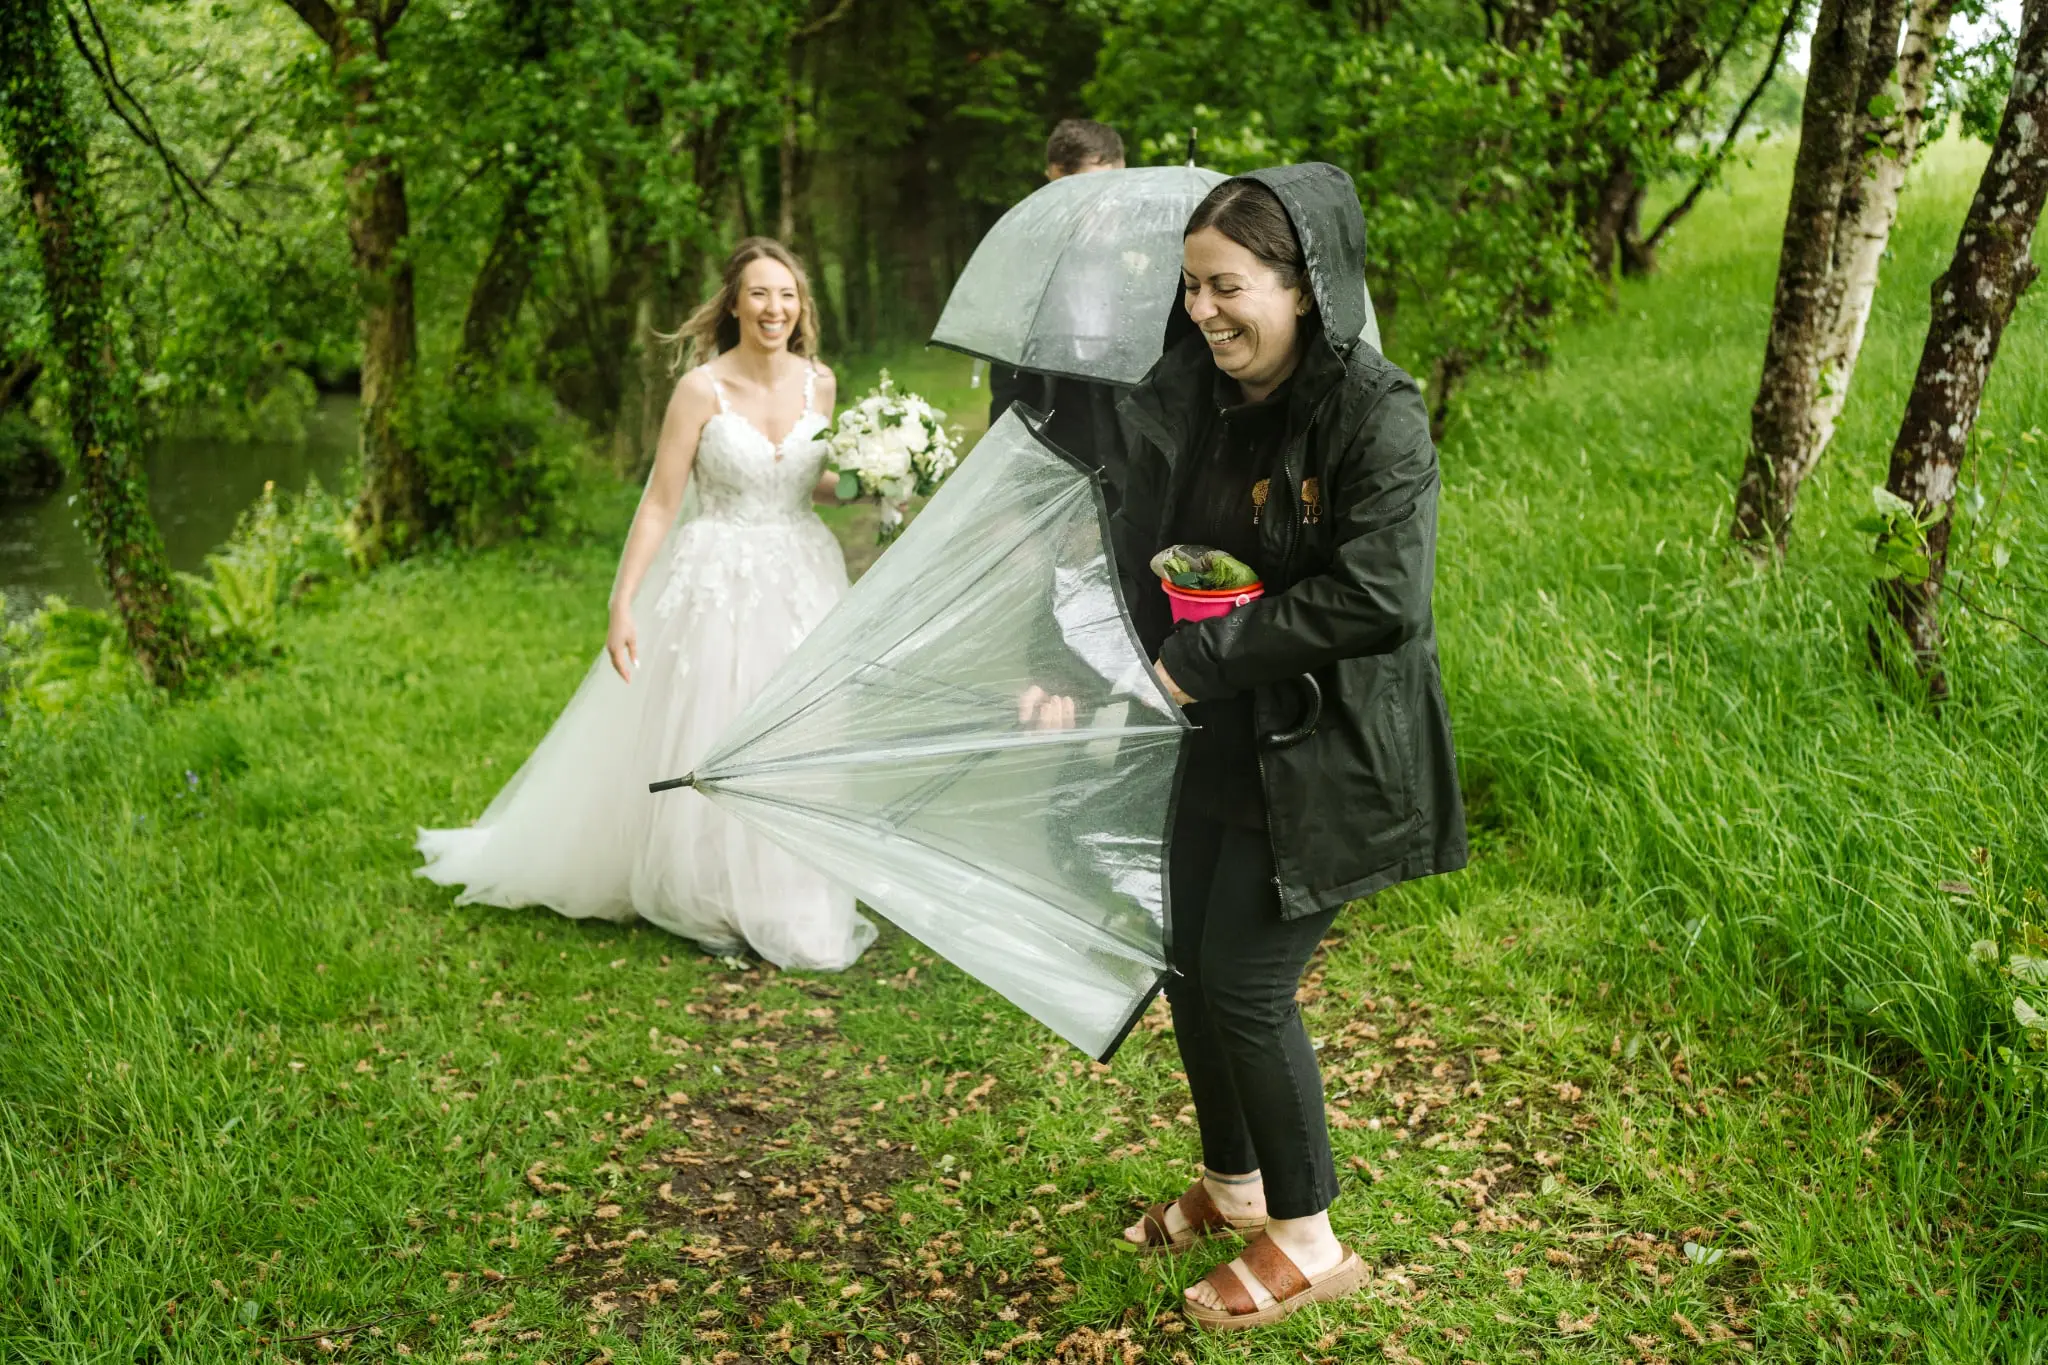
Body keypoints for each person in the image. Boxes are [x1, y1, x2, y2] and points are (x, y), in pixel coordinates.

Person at [1105, 167, 1467, 1330]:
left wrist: (1202, 658)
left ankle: (1306, 1237)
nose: (1202, 311)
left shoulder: (1374, 412)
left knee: (1245, 983)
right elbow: (1143, 543)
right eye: (1189, 288)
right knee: (1186, 965)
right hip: (1213, 730)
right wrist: (1091, 655)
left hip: (1326, 746)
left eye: (1226, 287)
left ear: (1303, 285)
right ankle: (1233, 1185)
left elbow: (1380, 596)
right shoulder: (1192, 399)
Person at [415, 238, 876, 972]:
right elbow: (662, 502)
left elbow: (809, 480)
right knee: (713, 720)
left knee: (795, 725)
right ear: (734, 304)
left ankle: (785, 883)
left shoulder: (820, 382)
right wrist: (622, 601)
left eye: (787, 295)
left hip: (801, 574)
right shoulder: (700, 389)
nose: (775, 308)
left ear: (802, 306)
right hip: (716, 575)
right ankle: (707, 888)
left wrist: (874, 478)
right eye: (760, 294)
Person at [989, 118, 1132, 496]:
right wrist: (1003, 473)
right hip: (1051, 463)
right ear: (1052, 180)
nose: (1100, 207)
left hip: (1134, 470)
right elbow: (1008, 383)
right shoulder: (1025, 267)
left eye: (1110, 191)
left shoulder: (1151, 261)